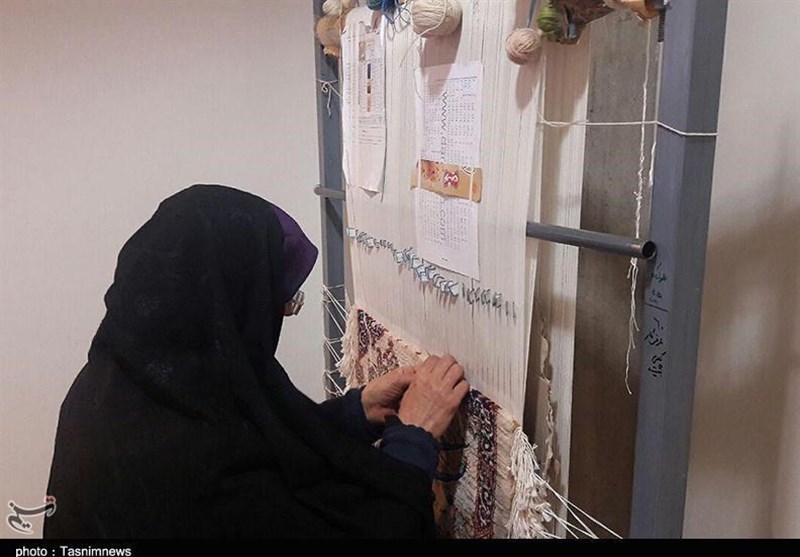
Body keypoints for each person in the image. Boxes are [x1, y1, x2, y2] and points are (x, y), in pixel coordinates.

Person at [44, 184, 469, 538]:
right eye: (277, 301)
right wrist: (414, 439)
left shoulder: (116, 383)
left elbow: (250, 437)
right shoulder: (188, 472)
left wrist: (355, 413)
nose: (284, 312)